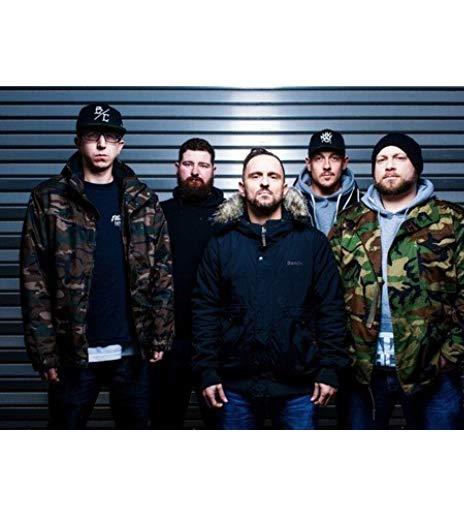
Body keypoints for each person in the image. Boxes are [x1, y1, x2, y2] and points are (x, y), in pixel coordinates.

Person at [19, 103, 174, 429]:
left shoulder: (143, 199)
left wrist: (159, 335)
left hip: (132, 353)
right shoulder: (48, 198)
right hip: (73, 353)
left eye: (110, 137)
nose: (102, 144)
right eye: (93, 135)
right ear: (78, 141)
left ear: (121, 145)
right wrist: (44, 352)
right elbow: (34, 279)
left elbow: (162, 271)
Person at [330, 133, 464, 429]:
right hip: (362, 374)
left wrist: (447, 357)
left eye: (399, 158)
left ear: (416, 167)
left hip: (431, 373)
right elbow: (326, 293)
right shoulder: (348, 223)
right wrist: (343, 354)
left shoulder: (450, 221)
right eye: (382, 159)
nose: (389, 165)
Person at [192, 147, 349, 430]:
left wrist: (329, 368)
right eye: (255, 176)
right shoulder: (221, 244)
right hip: (234, 388)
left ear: (285, 188)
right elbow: (205, 310)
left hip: (299, 387)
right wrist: (207, 370)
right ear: (242, 187)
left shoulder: (311, 243)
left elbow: (331, 309)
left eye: (273, 176)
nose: (264, 182)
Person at [150, 138, 224, 429]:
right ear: (177, 167)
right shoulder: (159, 214)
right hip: (168, 345)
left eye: (203, 165)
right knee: (164, 424)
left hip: (218, 346)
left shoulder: (230, 216)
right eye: (188, 164)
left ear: (214, 170)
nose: (195, 171)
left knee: (221, 426)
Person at [294, 129, 360, 236]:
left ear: (344, 163)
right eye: (319, 158)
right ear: (309, 164)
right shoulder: (288, 207)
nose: (326, 166)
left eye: (334, 158)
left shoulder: (362, 205)